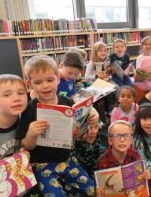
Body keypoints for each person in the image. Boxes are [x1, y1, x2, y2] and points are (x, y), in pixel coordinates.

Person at [17, 55, 96, 196]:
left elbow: (78, 135)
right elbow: (26, 146)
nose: (46, 85)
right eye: (38, 82)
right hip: (41, 163)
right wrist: (30, 134)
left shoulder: (67, 102)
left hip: (67, 159)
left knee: (91, 189)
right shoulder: (29, 109)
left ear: (58, 79)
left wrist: (87, 124)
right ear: (30, 85)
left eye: (50, 80)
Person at [96, 120, 151, 197]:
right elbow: (102, 187)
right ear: (110, 141)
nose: (122, 140)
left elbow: (141, 174)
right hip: (117, 193)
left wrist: (146, 175)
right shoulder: (103, 161)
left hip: (134, 191)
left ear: (131, 140)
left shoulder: (134, 153)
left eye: (126, 136)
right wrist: (99, 192)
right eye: (117, 136)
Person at [71, 112, 106, 179]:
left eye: (96, 127)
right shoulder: (75, 145)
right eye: (89, 128)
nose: (93, 131)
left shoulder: (97, 137)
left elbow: (98, 156)